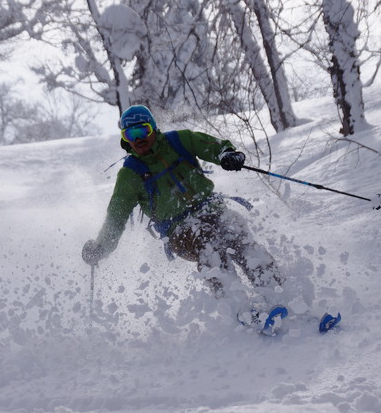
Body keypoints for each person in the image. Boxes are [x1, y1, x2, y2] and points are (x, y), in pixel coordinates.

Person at [81, 105, 285, 326]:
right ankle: (239, 309)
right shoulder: (130, 174)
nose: (138, 139)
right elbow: (116, 217)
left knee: (234, 227)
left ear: (154, 129)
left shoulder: (180, 141)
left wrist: (227, 154)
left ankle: (278, 292)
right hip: (178, 230)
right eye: (131, 134)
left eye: (143, 131)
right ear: (124, 139)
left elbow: (212, 146)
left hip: (211, 209)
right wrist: (100, 248)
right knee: (207, 240)